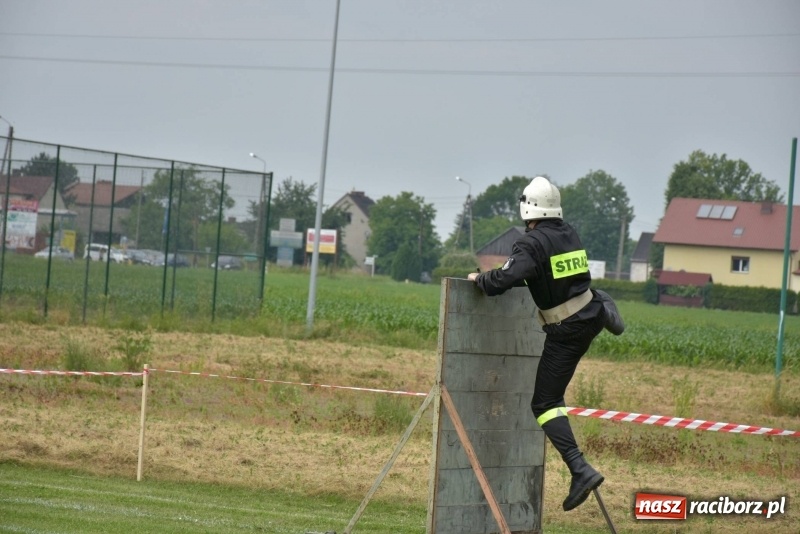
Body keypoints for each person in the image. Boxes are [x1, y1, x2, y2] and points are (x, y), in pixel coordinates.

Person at [467, 176, 625, 511]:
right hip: (589, 313)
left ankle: (580, 469)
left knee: (545, 404)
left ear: (527, 208)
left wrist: (480, 279)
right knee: (587, 301)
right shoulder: (569, 232)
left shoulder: (531, 243)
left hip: (567, 331)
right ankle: (606, 310)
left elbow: (505, 279)